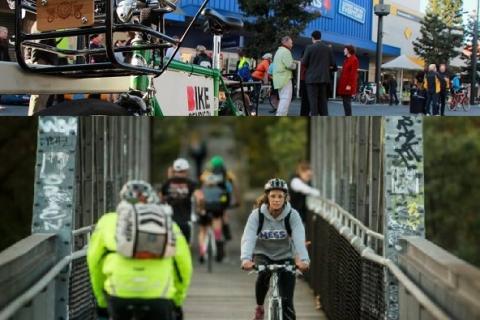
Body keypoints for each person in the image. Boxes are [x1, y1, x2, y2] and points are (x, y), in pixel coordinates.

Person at [87, 180, 192, 320]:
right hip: (159, 294)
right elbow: (184, 266)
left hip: (119, 292)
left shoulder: (108, 221)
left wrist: (101, 302)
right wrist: (177, 301)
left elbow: (94, 262)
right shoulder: (166, 223)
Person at [241, 178, 310, 320]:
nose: (276, 200)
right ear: (267, 197)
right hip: (263, 254)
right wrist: (246, 259)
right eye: (273, 196)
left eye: (280, 196)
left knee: (287, 302)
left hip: (285, 255)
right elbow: (249, 238)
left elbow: (298, 239)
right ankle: (260, 307)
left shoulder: (292, 215)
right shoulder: (257, 215)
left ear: (286, 198)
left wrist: (304, 260)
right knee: (263, 276)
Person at [198, 156, 238, 262]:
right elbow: (233, 186)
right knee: (220, 216)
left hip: (206, 204)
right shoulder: (227, 174)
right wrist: (236, 201)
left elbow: (200, 189)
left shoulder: (205, 175)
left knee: (203, 229)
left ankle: (202, 251)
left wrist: (199, 206)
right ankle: (219, 238)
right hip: (221, 202)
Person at [161, 158, 201, 244]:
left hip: (170, 222)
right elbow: (200, 198)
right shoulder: (191, 184)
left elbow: (160, 198)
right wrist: (200, 209)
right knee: (185, 247)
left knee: (171, 246)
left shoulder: (167, 183)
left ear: (174, 170)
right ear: (186, 170)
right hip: (186, 222)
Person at [302, 30, 336, 116]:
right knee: (323, 102)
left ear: (312, 38)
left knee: (313, 103)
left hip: (311, 79)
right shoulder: (328, 49)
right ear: (320, 37)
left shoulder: (309, 47)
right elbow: (333, 63)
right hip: (324, 79)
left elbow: (304, 63)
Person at [272, 36, 297, 116]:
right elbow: (290, 65)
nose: (292, 44)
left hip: (278, 79)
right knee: (285, 99)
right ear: (286, 42)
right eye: (291, 42)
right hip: (285, 79)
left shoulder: (278, 51)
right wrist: (295, 65)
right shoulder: (286, 51)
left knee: (282, 98)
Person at [337, 45, 359, 116]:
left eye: (345, 49)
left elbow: (353, 74)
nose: (344, 50)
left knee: (347, 103)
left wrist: (349, 85)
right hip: (343, 85)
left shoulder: (354, 59)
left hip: (348, 85)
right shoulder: (346, 60)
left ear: (349, 50)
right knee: (345, 103)